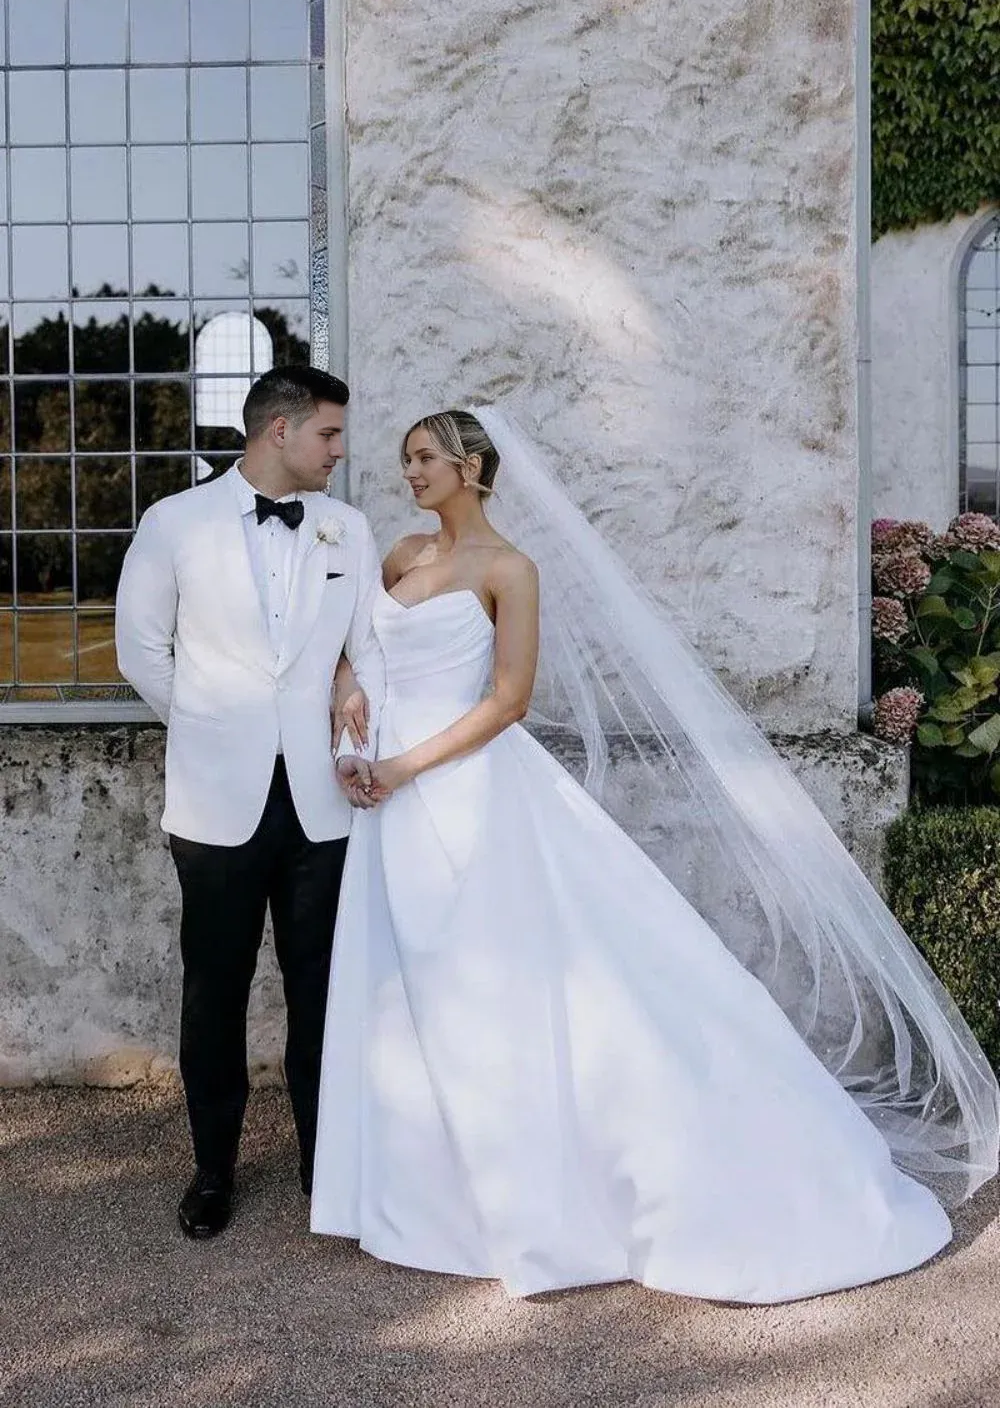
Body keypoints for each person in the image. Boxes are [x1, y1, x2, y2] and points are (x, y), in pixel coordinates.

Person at [311, 407, 999, 1303]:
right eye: (406, 460)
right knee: (409, 980)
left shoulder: (511, 569)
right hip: (386, 797)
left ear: (473, 467)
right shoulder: (400, 556)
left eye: (425, 458)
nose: (410, 473)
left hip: (462, 786)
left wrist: (404, 764)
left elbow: (510, 699)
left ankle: (537, 1196)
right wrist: (349, 686)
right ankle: (426, 1188)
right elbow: (353, 646)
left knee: (505, 977)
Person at [115, 365, 384, 1240]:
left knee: (323, 988)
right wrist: (212, 723)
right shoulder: (175, 523)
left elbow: (366, 652)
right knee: (215, 988)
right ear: (280, 431)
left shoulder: (349, 529)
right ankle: (213, 1171)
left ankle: (324, 1166)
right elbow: (138, 651)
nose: (341, 452)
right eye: (330, 436)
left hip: (323, 805)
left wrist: (349, 735)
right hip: (213, 802)